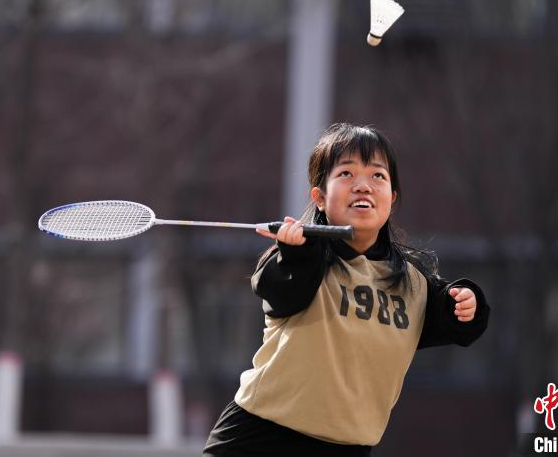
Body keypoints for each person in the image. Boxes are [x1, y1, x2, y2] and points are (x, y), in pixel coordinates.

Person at [202, 123, 490, 457]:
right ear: (320, 197)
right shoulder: (301, 258)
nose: (363, 186)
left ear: (392, 198)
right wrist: (297, 254)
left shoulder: (414, 282)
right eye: (347, 174)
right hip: (260, 439)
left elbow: (456, 323)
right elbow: (279, 292)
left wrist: (469, 303)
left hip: (348, 449)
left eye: (378, 176)